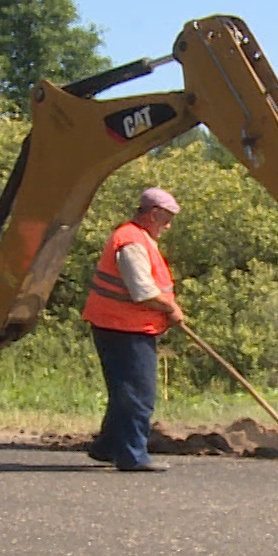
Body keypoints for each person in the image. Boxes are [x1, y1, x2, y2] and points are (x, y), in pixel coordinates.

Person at [81, 187, 186, 472]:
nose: (169, 225)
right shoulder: (130, 242)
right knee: (138, 394)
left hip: (125, 325)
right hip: (122, 328)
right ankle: (132, 456)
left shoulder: (140, 238)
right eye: (167, 218)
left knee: (125, 392)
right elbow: (142, 290)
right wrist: (171, 309)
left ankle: (106, 447)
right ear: (153, 213)